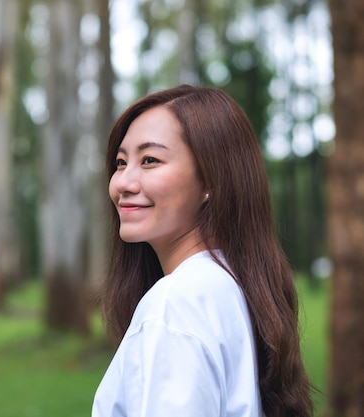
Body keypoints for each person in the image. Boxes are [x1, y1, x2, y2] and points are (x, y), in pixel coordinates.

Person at [92, 85, 313, 417]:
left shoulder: (176, 303)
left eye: (150, 160)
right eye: (121, 162)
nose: (123, 182)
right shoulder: (230, 286)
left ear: (210, 180)